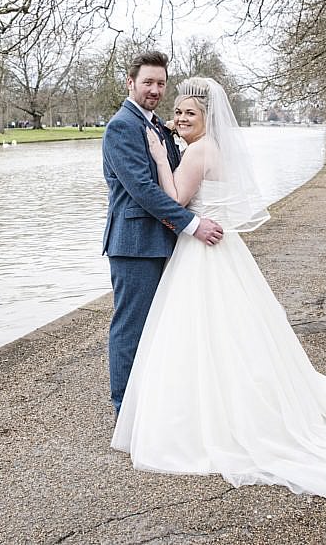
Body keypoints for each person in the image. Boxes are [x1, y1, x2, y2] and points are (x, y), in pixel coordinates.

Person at [111, 77, 326, 504]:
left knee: (200, 330)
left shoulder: (197, 150)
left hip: (201, 253)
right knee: (225, 331)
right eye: (177, 112)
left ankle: (201, 415)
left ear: (208, 117)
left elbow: (176, 196)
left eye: (188, 113)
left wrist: (160, 158)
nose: (179, 119)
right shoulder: (205, 147)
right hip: (216, 248)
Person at [101, 52, 225, 415]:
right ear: (130, 82)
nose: (155, 90)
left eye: (160, 84)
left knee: (163, 326)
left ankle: (156, 398)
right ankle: (125, 409)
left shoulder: (157, 125)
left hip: (164, 241)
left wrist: (177, 133)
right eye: (147, 82)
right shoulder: (123, 126)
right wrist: (193, 224)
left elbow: (174, 175)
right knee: (131, 326)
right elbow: (142, 188)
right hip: (135, 244)